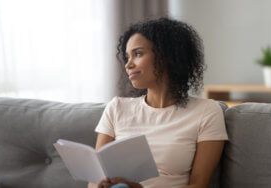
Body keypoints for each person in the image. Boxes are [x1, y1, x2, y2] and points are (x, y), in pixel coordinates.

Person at [88, 17, 228, 188]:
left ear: (165, 56)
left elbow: (198, 185)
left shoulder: (207, 111)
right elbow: (95, 181)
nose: (128, 65)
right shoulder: (116, 108)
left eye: (138, 54)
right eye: (127, 57)